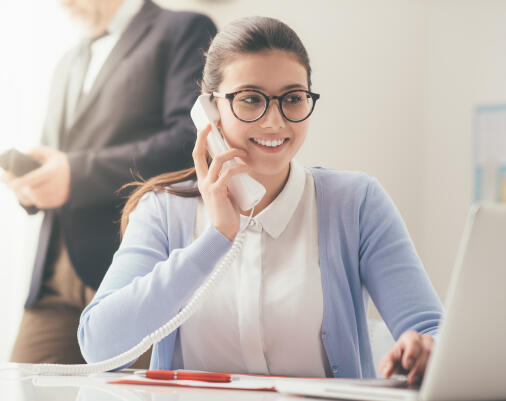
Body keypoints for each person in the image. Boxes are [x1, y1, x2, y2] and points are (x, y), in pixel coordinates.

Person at [77, 16, 443, 384]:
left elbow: (432, 330)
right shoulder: (163, 210)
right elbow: (99, 346)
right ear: (210, 110)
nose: (274, 121)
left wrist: (427, 348)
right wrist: (216, 238)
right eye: (250, 99)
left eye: (293, 99)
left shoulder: (356, 203)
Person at [3, 0, 216, 365]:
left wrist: (76, 174)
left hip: (131, 265)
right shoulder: (69, 59)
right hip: (54, 273)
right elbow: (58, 155)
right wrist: (33, 182)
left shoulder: (183, 30)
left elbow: (191, 138)